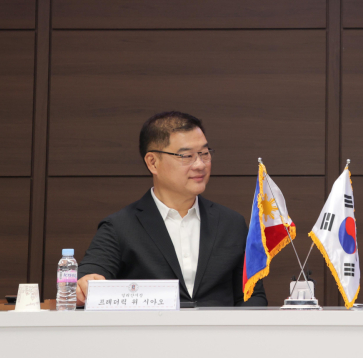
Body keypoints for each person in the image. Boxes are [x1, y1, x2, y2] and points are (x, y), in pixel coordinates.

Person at [76, 111, 267, 306]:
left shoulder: (231, 223)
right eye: (187, 156)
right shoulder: (120, 227)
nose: (200, 165)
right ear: (153, 163)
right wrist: (85, 284)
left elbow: (253, 296)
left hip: (220, 327)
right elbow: (87, 279)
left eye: (204, 153)